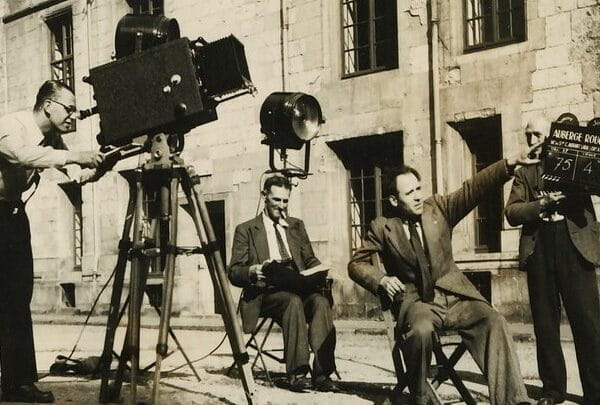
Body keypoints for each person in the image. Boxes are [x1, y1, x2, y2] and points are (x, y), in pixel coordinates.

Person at [348, 145, 542, 405]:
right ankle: (420, 396)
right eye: (410, 193)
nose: (418, 196)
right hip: (419, 303)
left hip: (456, 297)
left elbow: (473, 189)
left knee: (494, 320)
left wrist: (509, 163)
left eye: (418, 189)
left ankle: (514, 401)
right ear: (394, 200)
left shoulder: (438, 208)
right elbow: (356, 264)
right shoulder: (382, 228)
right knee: (419, 332)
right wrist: (381, 279)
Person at [0, 80, 105, 403]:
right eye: (69, 109)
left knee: (17, 298)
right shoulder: (11, 126)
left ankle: (19, 384)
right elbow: (22, 157)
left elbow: (74, 176)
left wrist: (102, 165)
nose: (74, 116)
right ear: (48, 105)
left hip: (12, 214)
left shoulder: (52, 140)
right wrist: (77, 155)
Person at [505, 116, 600, 405]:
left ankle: (596, 392)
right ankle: (552, 391)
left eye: (536, 134)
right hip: (540, 246)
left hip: (575, 245)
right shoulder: (525, 172)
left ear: (553, 135)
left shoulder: (576, 160)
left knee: (588, 321)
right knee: (545, 323)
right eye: (528, 136)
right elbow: (512, 212)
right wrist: (541, 204)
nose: (531, 141)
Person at [228, 175, 338, 392]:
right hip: (265, 293)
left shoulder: (296, 226)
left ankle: (322, 374)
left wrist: (320, 269)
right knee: (292, 302)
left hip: (296, 286)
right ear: (264, 196)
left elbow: (309, 259)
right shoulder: (246, 229)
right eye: (276, 200)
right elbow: (234, 271)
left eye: (285, 201)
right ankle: (297, 373)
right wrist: (253, 271)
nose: (281, 206)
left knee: (320, 302)